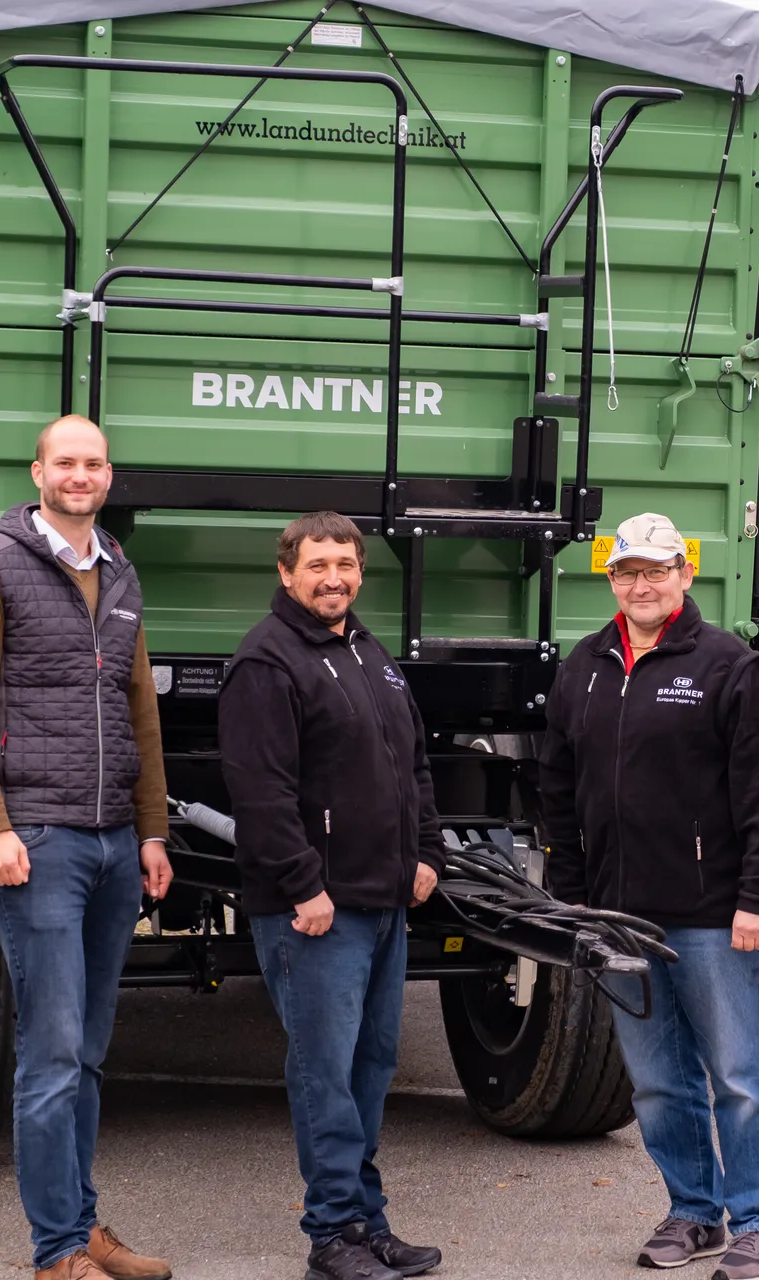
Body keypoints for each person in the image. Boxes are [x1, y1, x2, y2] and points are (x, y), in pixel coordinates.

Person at [0, 415, 176, 1280]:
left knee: (89, 1055)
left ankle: (82, 1223)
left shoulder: (118, 567)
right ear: (37, 472)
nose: (81, 475)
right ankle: (56, 1253)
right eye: (66, 462)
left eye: (95, 464)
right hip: (37, 840)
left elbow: (139, 710)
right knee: (52, 1053)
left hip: (113, 842)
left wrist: (152, 829)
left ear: (109, 476)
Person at [540, 513, 759, 1280]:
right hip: (619, 916)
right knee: (656, 1081)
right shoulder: (585, 666)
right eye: (628, 572)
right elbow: (558, 784)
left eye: (657, 570)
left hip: (715, 914)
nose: (642, 584)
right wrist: (573, 896)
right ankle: (694, 1212)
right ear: (611, 579)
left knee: (739, 1078)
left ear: (685, 574)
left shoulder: (730, 666)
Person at [218, 511, 445, 1280]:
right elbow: (260, 791)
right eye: (317, 565)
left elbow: (413, 764)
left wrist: (427, 852)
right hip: (315, 912)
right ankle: (332, 1236)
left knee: (370, 1067)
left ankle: (366, 1222)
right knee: (326, 1074)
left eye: (345, 564)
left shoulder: (368, 652)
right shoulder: (267, 661)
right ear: (286, 573)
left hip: (381, 901)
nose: (333, 578)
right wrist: (302, 885)